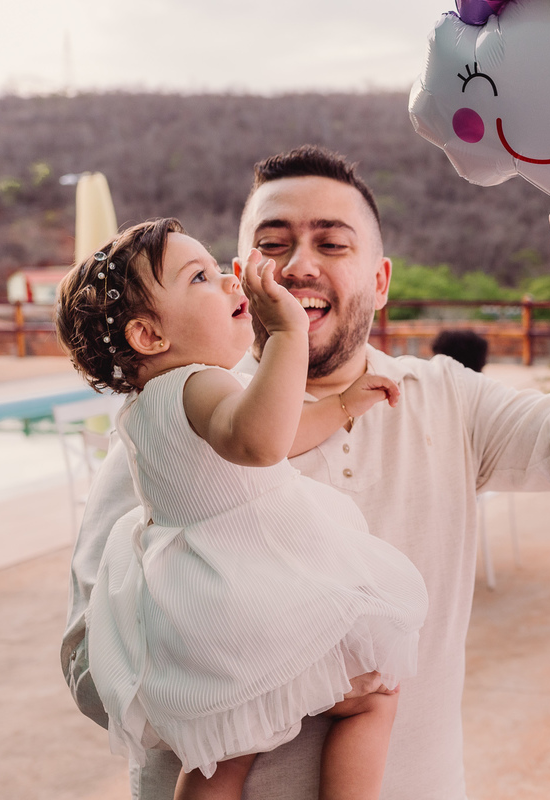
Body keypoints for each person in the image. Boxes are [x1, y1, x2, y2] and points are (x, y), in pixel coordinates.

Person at [62, 145, 550, 799]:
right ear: (241, 276)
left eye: (332, 243)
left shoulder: (445, 398)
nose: (298, 266)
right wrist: (272, 683)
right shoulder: (175, 429)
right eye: (273, 243)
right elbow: (90, 664)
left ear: (379, 280)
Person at [55, 218, 429, 800]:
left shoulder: (144, 407)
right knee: (374, 697)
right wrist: (286, 334)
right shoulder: (200, 383)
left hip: (202, 605)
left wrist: (343, 409)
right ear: (150, 335)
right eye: (201, 276)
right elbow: (260, 442)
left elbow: (273, 435)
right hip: (251, 592)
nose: (233, 281)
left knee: (221, 754)